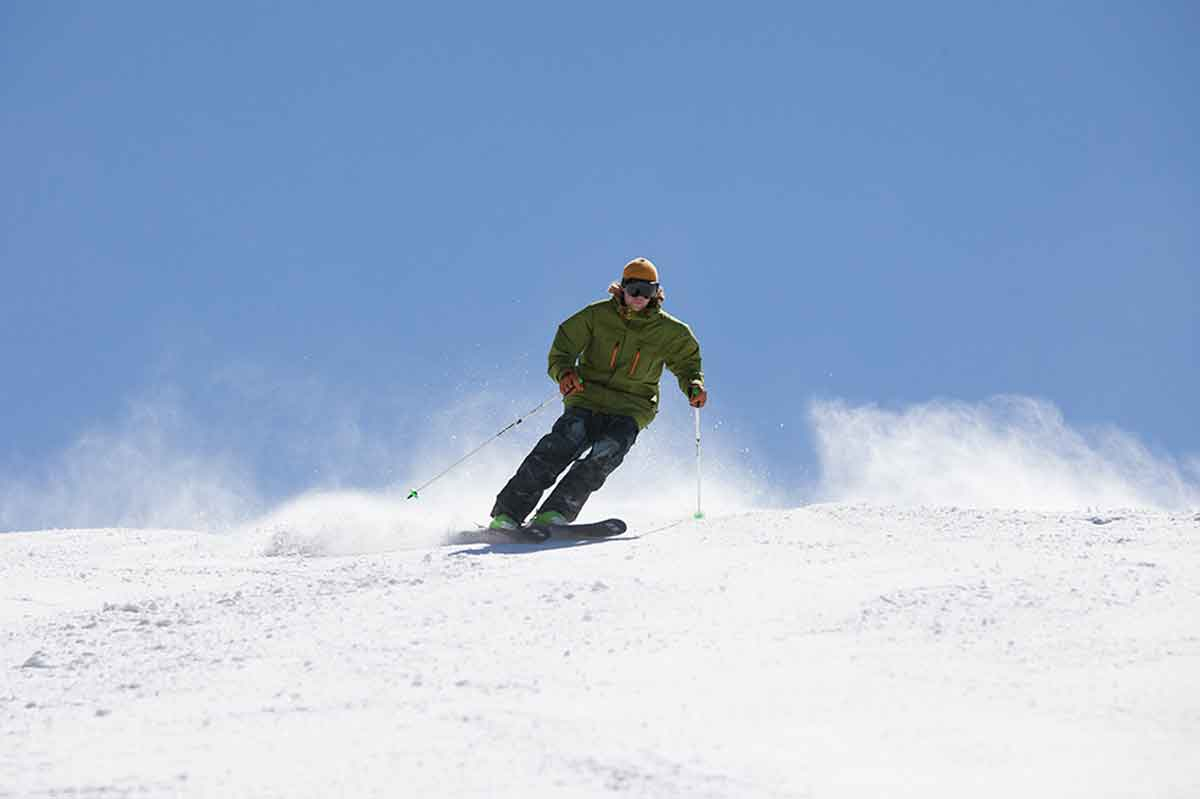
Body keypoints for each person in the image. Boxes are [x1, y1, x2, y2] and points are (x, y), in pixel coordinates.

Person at [490, 257, 707, 530]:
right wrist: (565, 373)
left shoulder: (670, 332)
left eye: (647, 291)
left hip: (633, 406)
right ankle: (508, 513)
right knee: (560, 446)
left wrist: (693, 385)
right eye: (634, 290)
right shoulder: (596, 316)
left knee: (604, 455)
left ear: (657, 293)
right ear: (622, 288)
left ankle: (555, 513)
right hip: (587, 396)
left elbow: (687, 363)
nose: (640, 297)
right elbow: (563, 348)